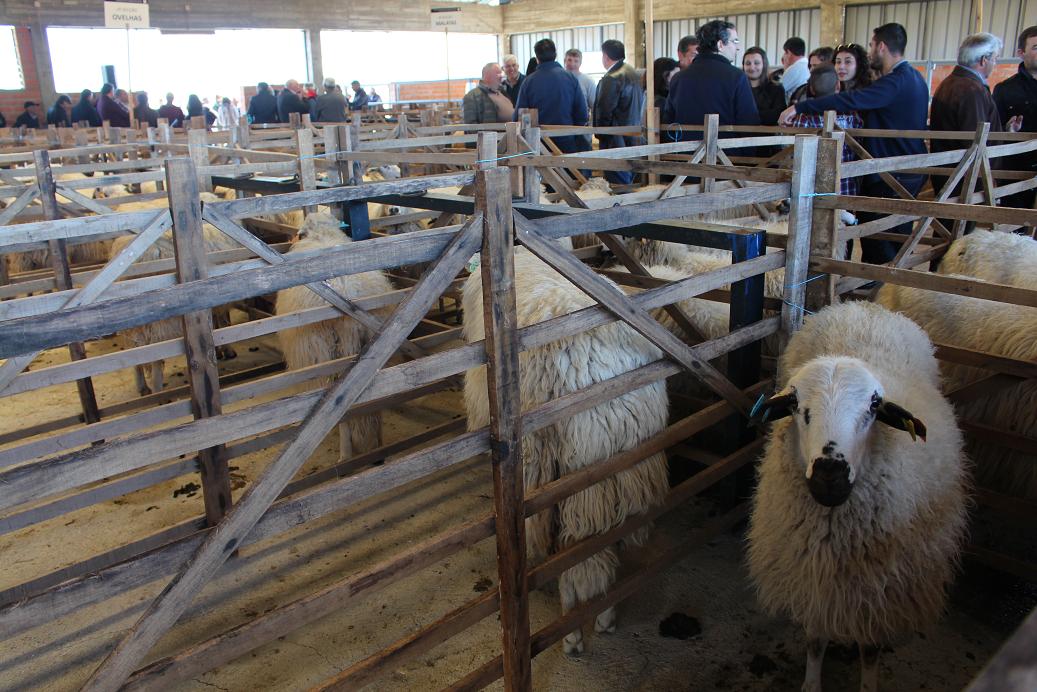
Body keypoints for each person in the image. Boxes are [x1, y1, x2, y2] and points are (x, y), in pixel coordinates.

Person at [781, 23, 929, 264]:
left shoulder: (895, 82)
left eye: (871, 46)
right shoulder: (915, 78)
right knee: (891, 234)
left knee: (879, 238)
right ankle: (884, 285)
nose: (870, 52)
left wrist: (800, 107)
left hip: (890, 173)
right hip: (902, 169)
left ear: (882, 46)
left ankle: (878, 287)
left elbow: (853, 100)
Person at [664, 20, 759, 130]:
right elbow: (749, 124)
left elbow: (668, 122)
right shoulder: (736, 77)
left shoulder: (678, 78)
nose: (737, 47)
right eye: (734, 41)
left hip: (685, 146)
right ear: (720, 45)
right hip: (724, 146)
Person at [790, 65, 864, 194]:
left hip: (811, 189)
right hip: (845, 188)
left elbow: (793, 151)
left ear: (812, 89)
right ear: (838, 86)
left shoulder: (804, 119)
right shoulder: (851, 118)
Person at [513, 38, 588, 154]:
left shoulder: (528, 82)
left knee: (543, 172)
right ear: (556, 55)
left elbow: (519, 116)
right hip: (567, 140)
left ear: (537, 58)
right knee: (569, 172)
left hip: (540, 144)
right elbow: (582, 114)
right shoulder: (570, 78)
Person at [993, 25, 1037, 210]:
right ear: (1021, 52)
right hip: (1017, 172)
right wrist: (1008, 132)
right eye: (1036, 47)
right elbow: (994, 133)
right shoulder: (1005, 90)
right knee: (1014, 229)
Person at [593, 39, 644, 185]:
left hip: (615, 138)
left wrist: (601, 134)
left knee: (617, 181)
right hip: (633, 133)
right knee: (630, 176)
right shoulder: (632, 73)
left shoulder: (611, 78)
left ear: (606, 56)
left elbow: (604, 109)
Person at [743, 47, 785, 125]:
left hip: (766, 136)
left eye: (757, 63)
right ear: (743, 66)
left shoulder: (776, 89)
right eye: (748, 63)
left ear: (764, 64)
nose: (752, 67)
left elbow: (777, 116)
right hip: (739, 135)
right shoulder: (737, 89)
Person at [564, 48, 597, 116]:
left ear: (580, 63)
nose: (572, 64)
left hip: (581, 124)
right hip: (561, 123)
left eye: (576, 61)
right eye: (569, 60)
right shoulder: (559, 80)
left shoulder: (588, 81)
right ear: (565, 61)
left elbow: (595, 106)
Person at [781, 37, 810, 103]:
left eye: (785, 53)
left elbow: (777, 91)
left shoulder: (794, 69)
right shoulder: (808, 65)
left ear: (789, 53)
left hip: (790, 108)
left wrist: (786, 68)